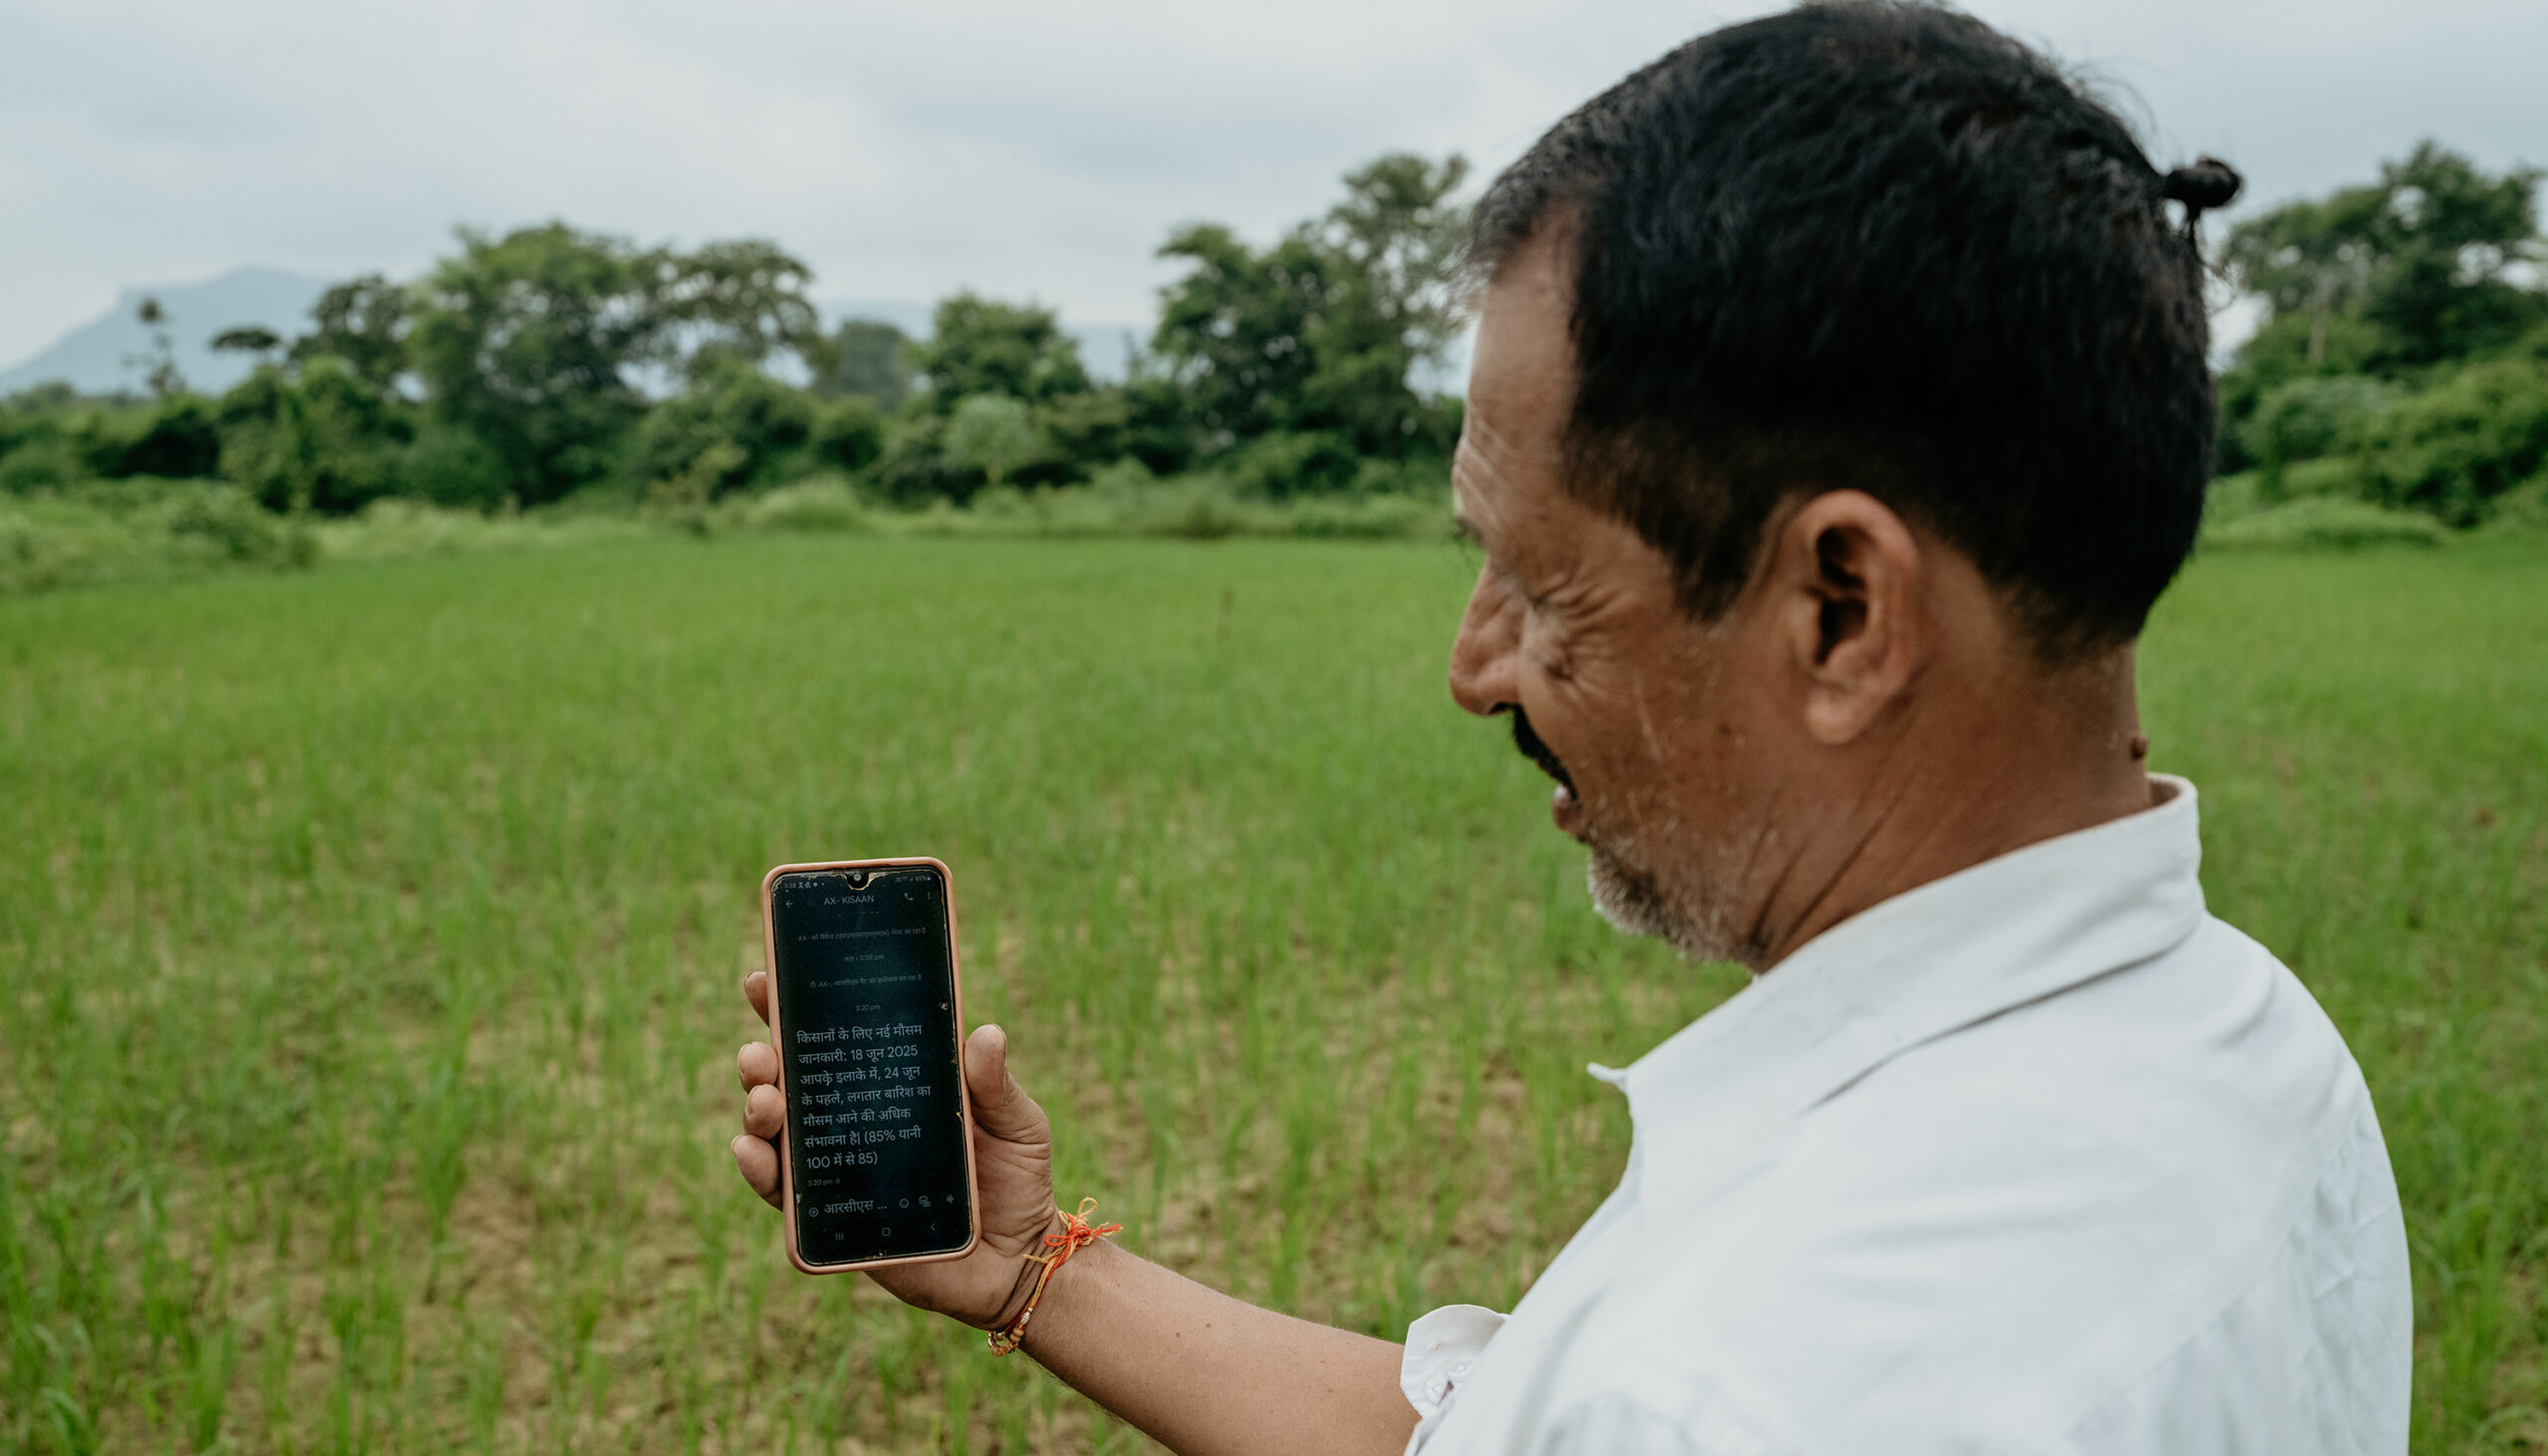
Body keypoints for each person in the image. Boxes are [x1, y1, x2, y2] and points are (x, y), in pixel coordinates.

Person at [732, 3, 2413, 1450]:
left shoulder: (1747, 1381)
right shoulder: (2256, 1049)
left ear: (1842, 610)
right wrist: (1035, 1268)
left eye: (1538, 589)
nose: (1475, 671)